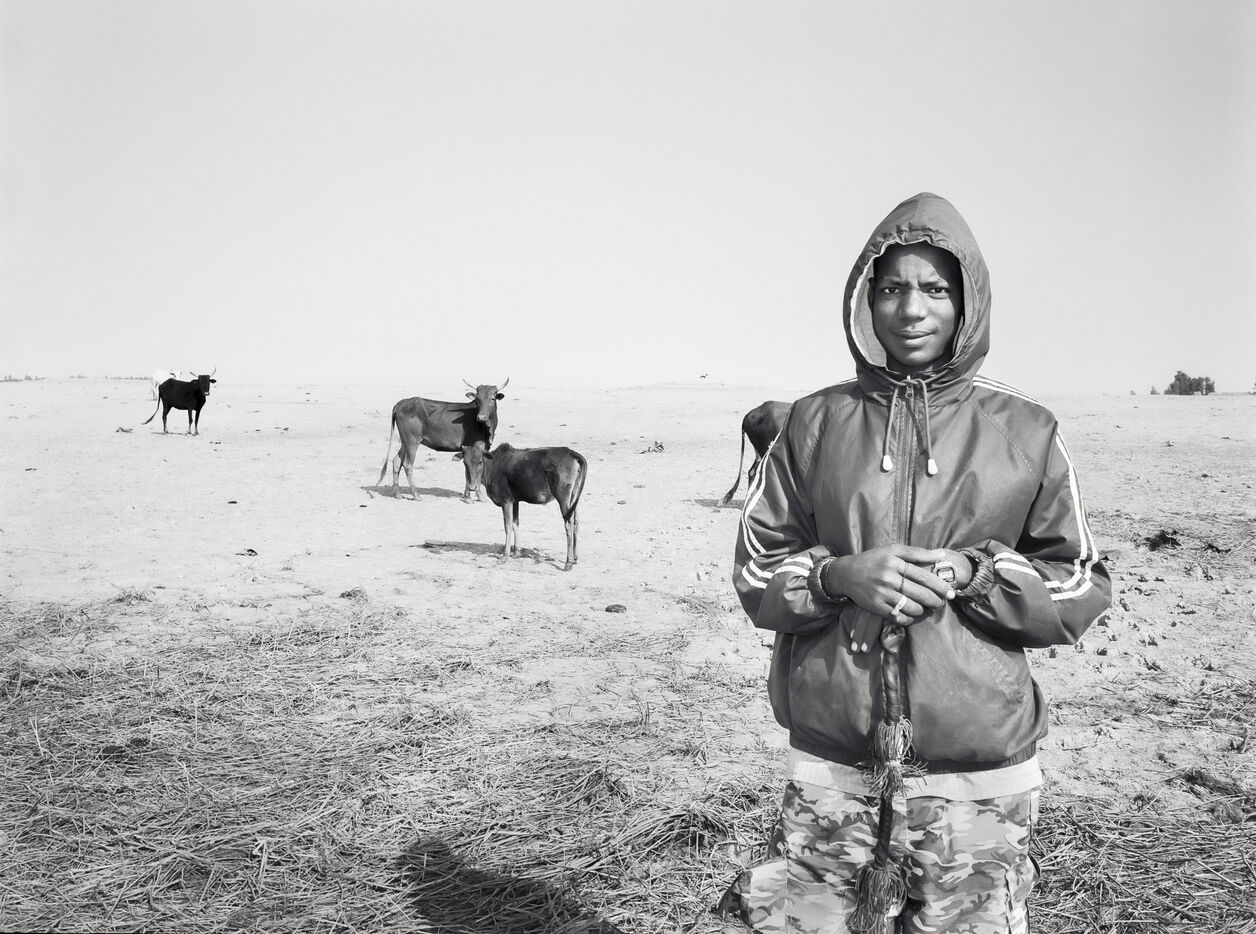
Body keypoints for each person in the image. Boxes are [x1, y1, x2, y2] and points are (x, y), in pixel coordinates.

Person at [720, 192, 1111, 933]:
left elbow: (1081, 583)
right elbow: (755, 568)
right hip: (832, 767)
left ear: (968, 302)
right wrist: (837, 577)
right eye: (893, 288)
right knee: (803, 921)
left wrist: (978, 575)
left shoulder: (1024, 429)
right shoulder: (813, 422)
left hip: (979, 773)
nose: (911, 309)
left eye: (935, 288)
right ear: (866, 300)